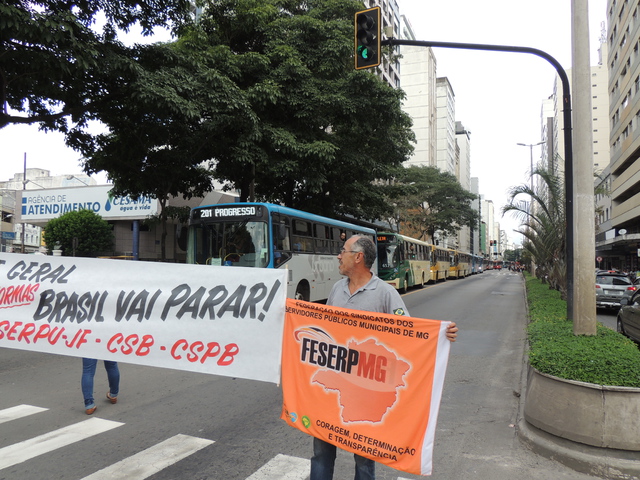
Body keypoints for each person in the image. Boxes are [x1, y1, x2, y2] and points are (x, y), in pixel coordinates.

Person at [310, 235, 458, 480]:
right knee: (321, 450)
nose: (338, 255)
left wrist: (442, 334)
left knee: (364, 459)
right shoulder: (337, 288)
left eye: (343, 251)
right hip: (333, 386)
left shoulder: (385, 293)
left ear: (358, 257)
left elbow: (409, 333)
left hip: (365, 392)